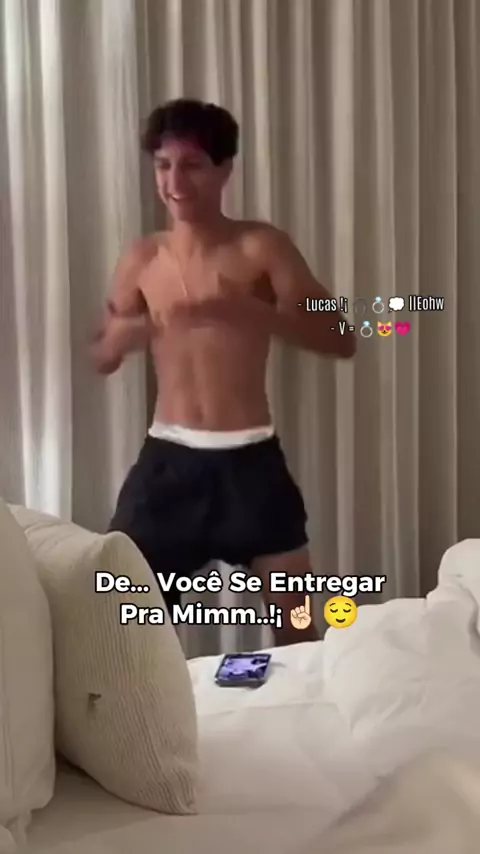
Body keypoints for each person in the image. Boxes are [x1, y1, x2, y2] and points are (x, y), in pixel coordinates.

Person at [91, 98, 356, 646]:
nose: (174, 182)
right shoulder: (142, 260)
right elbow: (102, 357)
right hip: (167, 465)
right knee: (126, 632)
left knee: (298, 628)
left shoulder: (262, 247)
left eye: (191, 165)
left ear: (225, 169)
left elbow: (341, 337)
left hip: (251, 463)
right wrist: (123, 338)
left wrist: (257, 313)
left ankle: (302, 703)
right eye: (163, 165)